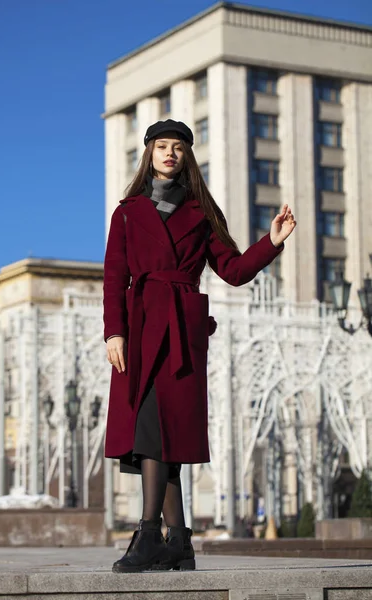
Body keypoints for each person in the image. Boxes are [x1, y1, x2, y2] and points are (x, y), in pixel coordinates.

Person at [103, 119, 296, 573]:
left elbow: (231, 269)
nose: (170, 154)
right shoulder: (127, 211)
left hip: (183, 331)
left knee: (165, 429)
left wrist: (271, 242)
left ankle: (153, 535)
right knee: (152, 427)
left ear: (188, 156)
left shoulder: (203, 213)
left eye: (178, 148)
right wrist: (115, 331)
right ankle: (177, 542)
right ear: (149, 153)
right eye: (162, 146)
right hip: (141, 326)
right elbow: (115, 276)